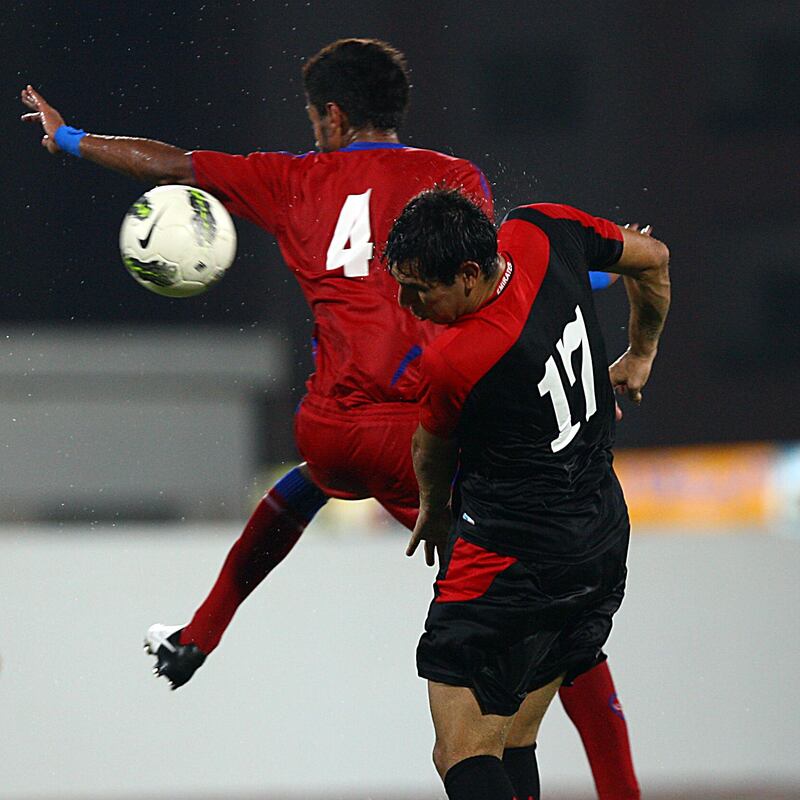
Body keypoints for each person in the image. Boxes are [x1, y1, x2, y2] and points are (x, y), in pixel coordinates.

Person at [21, 38, 638, 799]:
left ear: (333, 116)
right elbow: (483, 272)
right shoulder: (449, 179)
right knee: (547, 616)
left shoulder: (289, 178)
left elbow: (172, 164)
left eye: (313, 116)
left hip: (328, 430)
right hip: (414, 434)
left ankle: (200, 632)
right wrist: (594, 274)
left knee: (311, 480)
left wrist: (71, 137)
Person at [384, 187, 670, 800]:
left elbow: (428, 451)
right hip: (598, 542)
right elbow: (653, 257)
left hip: (509, 565)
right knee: (510, 737)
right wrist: (641, 355)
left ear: (467, 274)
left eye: (418, 289)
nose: (408, 304)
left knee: (460, 750)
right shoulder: (542, 229)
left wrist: (433, 510)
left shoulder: (456, 358)